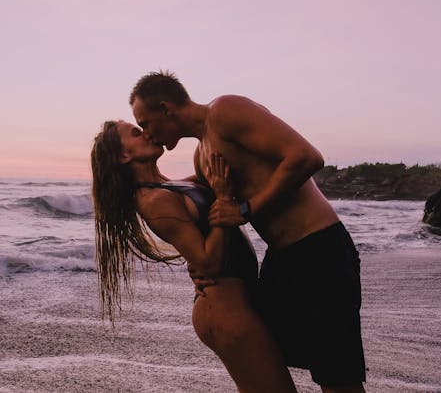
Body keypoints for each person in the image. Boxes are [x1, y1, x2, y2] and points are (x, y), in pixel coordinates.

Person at [130, 71, 366, 393]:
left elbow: (307, 156)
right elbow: (198, 202)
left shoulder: (226, 111)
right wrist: (197, 259)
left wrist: (247, 209)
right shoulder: (203, 157)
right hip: (280, 261)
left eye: (145, 123)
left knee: (338, 378)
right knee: (269, 370)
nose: (147, 134)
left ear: (166, 108)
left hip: (318, 250)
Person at [90, 120, 297, 392]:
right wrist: (223, 200)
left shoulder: (170, 186)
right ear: (123, 155)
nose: (148, 134)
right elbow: (207, 262)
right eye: (136, 133)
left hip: (235, 302)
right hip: (223, 310)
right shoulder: (153, 201)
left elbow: (212, 183)